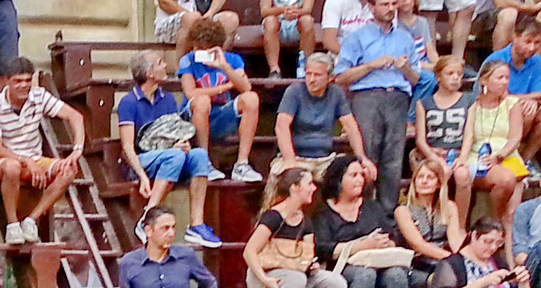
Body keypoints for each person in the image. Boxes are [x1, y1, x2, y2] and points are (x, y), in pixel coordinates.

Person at [242, 166, 354, 288]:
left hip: (297, 272)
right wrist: (264, 279)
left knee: (334, 282)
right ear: (295, 188)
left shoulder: (305, 220)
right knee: (295, 280)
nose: (314, 188)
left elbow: (308, 254)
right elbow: (249, 251)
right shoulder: (273, 217)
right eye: (309, 184)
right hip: (265, 272)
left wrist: (313, 266)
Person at [116, 51, 220, 249]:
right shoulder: (129, 102)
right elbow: (128, 147)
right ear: (149, 73)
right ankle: (149, 215)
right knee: (175, 155)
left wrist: (182, 144)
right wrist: (143, 177)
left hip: (170, 156)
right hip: (140, 161)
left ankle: (196, 225)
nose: (165, 65)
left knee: (199, 155)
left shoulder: (168, 99)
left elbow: (174, 133)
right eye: (160, 62)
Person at [333, 0, 420, 213]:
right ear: (371, 7)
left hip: (398, 98)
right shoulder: (357, 38)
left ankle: (387, 216)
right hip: (367, 97)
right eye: (385, 4)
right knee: (367, 156)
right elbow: (341, 76)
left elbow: (415, 79)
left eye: (394, 3)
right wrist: (372, 65)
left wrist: (406, 68)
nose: (391, 8)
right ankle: (362, 212)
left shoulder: (405, 37)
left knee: (393, 159)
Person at [313, 154, 410, 288]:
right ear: (339, 179)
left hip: (378, 265)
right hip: (341, 269)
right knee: (363, 275)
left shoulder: (371, 208)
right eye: (353, 175)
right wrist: (359, 246)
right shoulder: (324, 213)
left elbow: (391, 237)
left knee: (397, 275)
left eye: (361, 175)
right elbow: (321, 248)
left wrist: (384, 244)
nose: (359, 180)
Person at [0, 58, 87, 246]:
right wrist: (26, 161)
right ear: (8, 81)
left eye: (27, 80)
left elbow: (75, 116)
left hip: (35, 158)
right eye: (18, 81)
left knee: (69, 170)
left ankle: (31, 220)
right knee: (13, 167)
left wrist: (77, 150)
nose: (24, 85)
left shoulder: (39, 96)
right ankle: (12, 224)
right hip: (5, 161)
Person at [176, 18, 262, 184]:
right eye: (195, 47)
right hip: (193, 116)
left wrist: (224, 66)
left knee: (251, 99)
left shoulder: (233, 59)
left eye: (202, 48)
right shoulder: (187, 60)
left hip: (222, 114)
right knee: (202, 101)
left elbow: (246, 88)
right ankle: (204, 162)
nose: (197, 51)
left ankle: (242, 164)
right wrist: (226, 87)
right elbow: (190, 92)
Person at [275, 51, 372, 184]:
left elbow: (350, 126)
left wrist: (361, 158)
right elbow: (281, 126)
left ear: (329, 78)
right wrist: (290, 160)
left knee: (358, 175)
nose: (311, 79)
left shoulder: (336, 93)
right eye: (308, 74)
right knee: (283, 178)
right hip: (297, 157)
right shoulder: (294, 92)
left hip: (325, 159)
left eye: (317, 75)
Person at [455, 59, 527, 232]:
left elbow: (515, 137)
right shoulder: (473, 104)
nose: (504, 82)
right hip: (478, 155)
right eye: (499, 77)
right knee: (503, 178)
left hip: (506, 155)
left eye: (507, 78)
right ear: (484, 81)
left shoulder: (512, 103)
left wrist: (499, 156)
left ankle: (496, 224)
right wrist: (463, 159)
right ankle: (487, 226)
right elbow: (469, 135)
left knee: (510, 187)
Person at [119, 207, 217, 288]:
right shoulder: (129, 262)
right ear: (149, 231)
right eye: (165, 228)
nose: (171, 233)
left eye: (173, 227)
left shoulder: (186, 256)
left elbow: (209, 283)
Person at [394, 155, 463, 288]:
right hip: (415, 264)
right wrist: (452, 260)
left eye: (430, 177)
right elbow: (419, 244)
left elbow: (454, 239)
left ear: (439, 183)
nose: (424, 181)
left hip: (442, 263)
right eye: (420, 177)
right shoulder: (403, 211)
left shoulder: (449, 207)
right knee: (444, 282)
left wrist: (464, 259)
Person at [481, 18, 541, 159]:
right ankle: (511, 154)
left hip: (521, 107)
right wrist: (533, 99)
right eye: (528, 42)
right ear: (515, 37)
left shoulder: (538, 61)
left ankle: (526, 159)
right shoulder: (497, 59)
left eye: (537, 43)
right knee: (524, 110)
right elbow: (497, 95)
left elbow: (537, 93)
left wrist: (535, 99)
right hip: (493, 109)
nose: (532, 48)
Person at [415, 54, 474, 210]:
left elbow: (469, 133)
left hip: (457, 152)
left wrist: (462, 158)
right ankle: (437, 216)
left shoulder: (469, 100)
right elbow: (420, 140)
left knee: (462, 175)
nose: (455, 78)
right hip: (434, 153)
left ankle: (460, 224)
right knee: (442, 172)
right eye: (450, 74)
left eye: (459, 74)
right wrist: (434, 157)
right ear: (438, 77)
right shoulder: (424, 103)